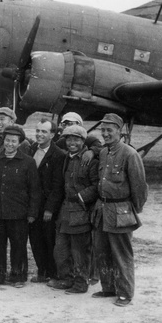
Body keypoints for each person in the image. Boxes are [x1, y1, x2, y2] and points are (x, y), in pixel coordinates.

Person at [92, 113, 148, 307]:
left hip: (120, 211)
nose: (105, 134)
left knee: (121, 254)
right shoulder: (104, 152)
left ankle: (125, 293)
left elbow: (139, 187)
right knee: (102, 251)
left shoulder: (129, 154)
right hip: (102, 209)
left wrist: (133, 210)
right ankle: (108, 287)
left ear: (119, 131)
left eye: (110, 130)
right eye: (103, 130)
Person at [0, 126, 41, 287]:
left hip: (19, 214)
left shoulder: (28, 162)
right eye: (7, 140)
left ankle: (18, 276)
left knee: (18, 245)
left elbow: (34, 190)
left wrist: (32, 212)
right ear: (3, 141)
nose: (10, 144)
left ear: (20, 143)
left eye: (14, 141)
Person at [49, 125, 99, 294]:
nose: (72, 143)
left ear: (83, 141)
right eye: (69, 139)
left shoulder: (90, 160)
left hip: (80, 212)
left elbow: (96, 185)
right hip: (65, 213)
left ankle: (80, 283)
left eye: (76, 139)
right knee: (61, 250)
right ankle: (66, 279)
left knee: (80, 251)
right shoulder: (66, 158)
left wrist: (80, 197)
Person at [28, 118, 66, 283]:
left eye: (44, 131)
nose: (39, 134)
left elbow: (58, 186)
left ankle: (53, 272)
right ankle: (42, 271)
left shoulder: (58, 155)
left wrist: (50, 209)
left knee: (49, 240)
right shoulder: (30, 150)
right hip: (32, 205)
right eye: (38, 131)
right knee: (35, 239)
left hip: (47, 207)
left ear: (52, 134)